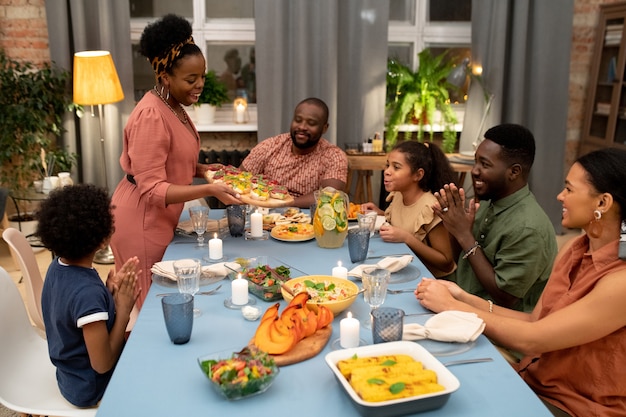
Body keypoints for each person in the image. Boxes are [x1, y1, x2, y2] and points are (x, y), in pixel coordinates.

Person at [416, 148, 626, 417]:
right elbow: (534, 321)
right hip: (533, 378)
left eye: (569, 190)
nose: (560, 196)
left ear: (603, 203)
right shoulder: (575, 247)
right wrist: (462, 297)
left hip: (574, 405)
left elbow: (532, 340)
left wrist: (452, 308)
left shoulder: (619, 281)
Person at [110, 14, 241, 309]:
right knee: (152, 309)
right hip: (141, 220)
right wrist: (209, 190)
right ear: (165, 77)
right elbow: (153, 189)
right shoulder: (151, 114)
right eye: (191, 79)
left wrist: (201, 170)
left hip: (158, 216)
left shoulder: (174, 106)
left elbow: (168, 160)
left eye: (203, 76)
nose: (200, 85)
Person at [433, 124, 557, 312]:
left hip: (496, 327)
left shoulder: (528, 228)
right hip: (459, 303)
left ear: (514, 172)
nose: (474, 171)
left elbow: (505, 296)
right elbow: (459, 260)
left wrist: (465, 236)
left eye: (485, 164)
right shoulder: (486, 203)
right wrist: (454, 227)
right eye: (475, 162)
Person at [38, 184, 140, 407]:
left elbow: (72, 312)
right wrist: (122, 310)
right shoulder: (87, 293)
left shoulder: (57, 267)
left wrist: (107, 295)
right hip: (92, 387)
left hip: (69, 377)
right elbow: (102, 364)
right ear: (104, 241)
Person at [360, 141, 457, 278]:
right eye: (388, 165)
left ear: (418, 175)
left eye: (396, 167)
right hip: (405, 273)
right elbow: (405, 219)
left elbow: (446, 263)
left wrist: (407, 238)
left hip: (434, 280)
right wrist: (379, 213)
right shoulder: (399, 195)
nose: (387, 171)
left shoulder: (430, 208)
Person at [240, 97, 348, 208]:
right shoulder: (270, 146)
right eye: (298, 120)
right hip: (264, 215)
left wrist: (284, 204)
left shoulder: (334, 156)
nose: (302, 127)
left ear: (324, 128)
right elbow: (239, 181)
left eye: (311, 123)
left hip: (308, 220)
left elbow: (330, 196)